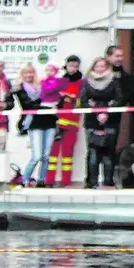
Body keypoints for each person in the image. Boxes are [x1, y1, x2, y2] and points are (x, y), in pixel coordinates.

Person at [80, 57, 123, 189]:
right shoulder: (87, 82)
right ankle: (91, 182)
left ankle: (108, 182)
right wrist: (96, 113)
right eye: (97, 66)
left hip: (110, 121)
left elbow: (119, 98)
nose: (100, 69)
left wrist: (107, 112)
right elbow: (83, 100)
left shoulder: (114, 81)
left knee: (108, 153)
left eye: (103, 66)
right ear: (93, 68)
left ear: (107, 67)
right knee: (93, 152)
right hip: (92, 121)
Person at [13, 63, 55, 187]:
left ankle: (41, 180)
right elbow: (28, 105)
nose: (29, 75)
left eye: (31, 72)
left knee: (46, 156)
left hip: (49, 121)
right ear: (22, 74)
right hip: (33, 122)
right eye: (26, 72)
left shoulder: (42, 85)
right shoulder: (19, 88)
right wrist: (45, 105)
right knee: (36, 156)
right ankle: (24, 179)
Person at [46, 55, 84, 187]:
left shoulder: (81, 82)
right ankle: (49, 180)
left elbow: (82, 102)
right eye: (70, 65)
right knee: (53, 153)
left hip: (72, 122)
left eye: (75, 66)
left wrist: (72, 98)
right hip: (57, 121)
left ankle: (66, 181)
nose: (72, 68)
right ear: (66, 66)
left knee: (68, 153)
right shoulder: (60, 81)